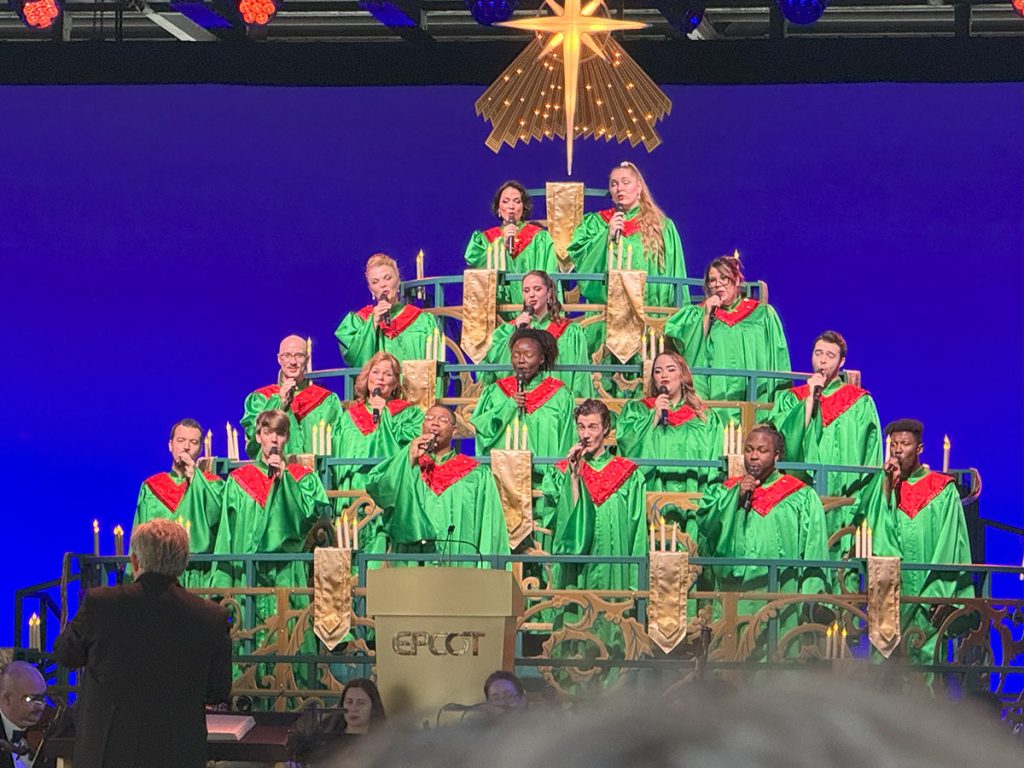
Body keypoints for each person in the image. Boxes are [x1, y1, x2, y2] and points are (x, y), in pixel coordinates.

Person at [54, 518, 232, 768]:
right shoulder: (211, 617)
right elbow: (217, 691)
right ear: (183, 564)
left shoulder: (102, 604)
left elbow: (65, 653)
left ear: (135, 561)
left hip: (108, 751)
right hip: (177, 753)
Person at [691, 424, 829, 657]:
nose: (754, 456)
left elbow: (814, 546)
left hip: (780, 591)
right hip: (736, 592)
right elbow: (706, 526)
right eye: (749, 449)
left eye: (762, 450)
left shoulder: (800, 495)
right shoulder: (725, 492)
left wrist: (812, 595)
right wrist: (736, 497)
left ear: (777, 456)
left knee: (776, 652)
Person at [212, 409, 329, 682]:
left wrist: (284, 479)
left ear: (287, 438)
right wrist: (223, 578)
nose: (274, 440)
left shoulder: (303, 477)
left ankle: (291, 698)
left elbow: (314, 515)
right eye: (268, 433)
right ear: (259, 436)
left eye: (280, 434)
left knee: (291, 634)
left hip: (287, 571)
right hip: (249, 573)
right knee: (250, 635)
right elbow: (227, 533)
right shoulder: (240, 481)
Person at [866, 419, 973, 666]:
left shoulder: (942, 489)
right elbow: (876, 528)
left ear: (920, 448)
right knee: (886, 662)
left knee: (925, 659)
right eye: (894, 444)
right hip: (893, 585)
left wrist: (942, 594)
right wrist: (887, 488)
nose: (898, 450)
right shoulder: (885, 484)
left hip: (929, 589)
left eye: (905, 444)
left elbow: (951, 543)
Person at [767, 331, 882, 551]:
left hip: (844, 493)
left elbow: (871, 451)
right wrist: (810, 397)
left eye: (830, 355)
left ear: (842, 362)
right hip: (800, 489)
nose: (822, 360)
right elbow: (782, 439)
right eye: (818, 353)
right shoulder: (793, 397)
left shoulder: (859, 402)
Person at [366, 405, 511, 566]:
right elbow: (380, 490)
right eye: (429, 419)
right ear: (422, 426)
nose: (434, 423)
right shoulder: (408, 465)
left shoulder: (476, 474)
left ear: (454, 430)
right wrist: (408, 456)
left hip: (460, 568)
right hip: (414, 563)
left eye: (443, 420)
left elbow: (489, 525)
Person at [331, 352, 424, 564]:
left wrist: (385, 418)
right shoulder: (348, 418)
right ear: (367, 378)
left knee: (382, 544)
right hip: (354, 489)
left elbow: (409, 451)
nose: (381, 378)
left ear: (396, 382)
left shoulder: (409, 415)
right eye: (376, 372)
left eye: (388, 374)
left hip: (387, 488)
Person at [546, 399, 647, 593]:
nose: (585, 434)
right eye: (581, 427)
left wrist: (636, 584)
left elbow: (637, 532)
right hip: (577, 566)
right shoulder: (562, 472)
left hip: (614, 561)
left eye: (593, 427)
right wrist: (573, 476)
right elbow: (561, 525)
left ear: (606, 428)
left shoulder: (628, 475)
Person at [616, 351, 724, 533]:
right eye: (657, 372)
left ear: (682, 375)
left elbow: (714, 460)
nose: (664, 375)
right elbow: (627, 443)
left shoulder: (705, 417)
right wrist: (653, 417)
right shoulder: (638, 411)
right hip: (653, 489)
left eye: (670, 369)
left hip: (692, 491)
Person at [664, 254, 790, 407]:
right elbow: (692, 350)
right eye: (712, 280)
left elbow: (777, 357)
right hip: (715, 392)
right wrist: (706, 314)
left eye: (724, 278)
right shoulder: (699, 313)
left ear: (736, 280)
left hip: (753, 393)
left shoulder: (762, 314)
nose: (718, 284)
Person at [566, 161, 687, 308]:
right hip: (606, 310)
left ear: (639, 187)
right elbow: (580, 259)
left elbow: (676, 271)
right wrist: (605, 236)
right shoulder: (595, 223)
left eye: (625, 182)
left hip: (647, 308)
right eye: (614, 184)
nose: (619, 188)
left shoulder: (662, 226)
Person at [132, 418, 224, 588]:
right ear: (170, 445)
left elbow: (218, 521)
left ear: (200, 448)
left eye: (193, 442)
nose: (186, 447)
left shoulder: (213, 485)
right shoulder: (151, 487)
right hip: (157, 573)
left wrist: (196, 479)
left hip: (198, 573)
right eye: (180, 441)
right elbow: (139, 533)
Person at [479, 270, 594, 398]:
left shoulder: (570, 331)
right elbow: (491, 366)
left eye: (537, 289)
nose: (531, 295)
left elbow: (581, 377)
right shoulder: (510, 329)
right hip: (520, 402)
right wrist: (517, 333)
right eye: (526, 290)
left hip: (556, 407)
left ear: (549, 293)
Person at [471, 328, 576, 457]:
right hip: (505, 472)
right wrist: (509, 406)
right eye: (516, 355)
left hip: (546, 475)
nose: (521, 360)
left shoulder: (560, 395)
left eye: (528, 355)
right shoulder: (496, 392)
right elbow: (483, 432)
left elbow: (567, 441)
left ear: (541, 359)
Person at [241, 334, 343, 459]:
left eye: (299, 356)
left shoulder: (326, 401)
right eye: (287, 356)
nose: (293, 362)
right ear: (279, 359)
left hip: (314, 476)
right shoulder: (261, 399)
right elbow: (253, 441)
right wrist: (279, 403)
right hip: (273, 473)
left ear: (307, 359)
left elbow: (338, 444)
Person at [464, 182, 560, 310]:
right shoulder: (485, 239)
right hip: (497, 306)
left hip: (533, 307)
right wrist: (500, 245)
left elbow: (548, 272)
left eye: (516, 201)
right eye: (505, 201)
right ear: (498, 208)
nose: (511, 206)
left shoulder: (539, 238)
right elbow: (475, 265)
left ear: (523, 207)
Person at [334, 253, 440, 368]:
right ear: (371, 290)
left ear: (398, 280)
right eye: (375, 282)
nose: (383, 285)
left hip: (414, 385)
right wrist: (373, 323)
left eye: (388, 278)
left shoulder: (422, 320)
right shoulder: (359, 322)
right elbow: (354, 360)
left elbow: (434, 366)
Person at [0, 662, 51, 768]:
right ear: (7, 699)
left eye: (42, 699)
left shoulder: (52, 730)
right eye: (29, 699)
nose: (40, 706)